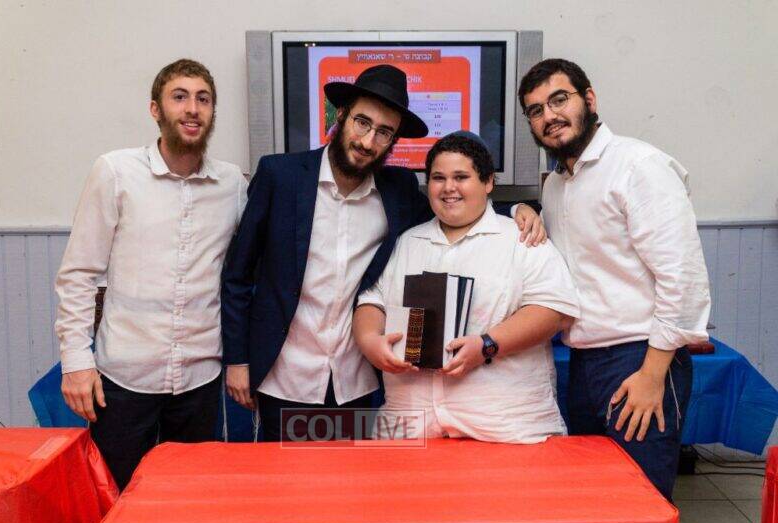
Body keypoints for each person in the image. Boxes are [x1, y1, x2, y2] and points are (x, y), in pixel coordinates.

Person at [222, 64, 545, 442]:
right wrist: (238, 359)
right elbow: (237, 275)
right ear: (341, 117)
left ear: (393, 140)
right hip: (285, 373)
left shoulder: (398, 189)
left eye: (384, 132)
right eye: (362, 122)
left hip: (354, 378)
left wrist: (517, 209)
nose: (368, 141)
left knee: (348, 475)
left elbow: (453, 209)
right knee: (286, 474)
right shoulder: (280, 175)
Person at [518, 58, 711, 499]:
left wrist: (652, 375)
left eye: (559, 100)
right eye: (536, 110)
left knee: (640, 500)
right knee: (592, 498)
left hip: (640, 359)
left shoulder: (638, 165)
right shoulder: (556, 185)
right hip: (583, 363)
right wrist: (524, 209)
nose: (549, 116)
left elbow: (683, 278)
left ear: (589, 99)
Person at [55, 59, 246, 489]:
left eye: (203, 99)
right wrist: (76, 362)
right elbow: (79, 273)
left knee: (189, 500)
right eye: (180, 97)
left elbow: (244, 275)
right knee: (115, 497)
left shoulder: (232, 184)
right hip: (125, 377)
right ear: (156, 109)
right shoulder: (115, 172)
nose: (192, 108)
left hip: (199, 379)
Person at [352, 132, 579, 441]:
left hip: (505, 427)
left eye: (461, 177)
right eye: (438, 178)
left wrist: (487, 345)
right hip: (410, 426)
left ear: (488, 182)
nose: (449, 188)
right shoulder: (406, 241)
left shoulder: (523, 238)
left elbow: (553, 311)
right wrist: (370, 341)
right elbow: (372, 301)